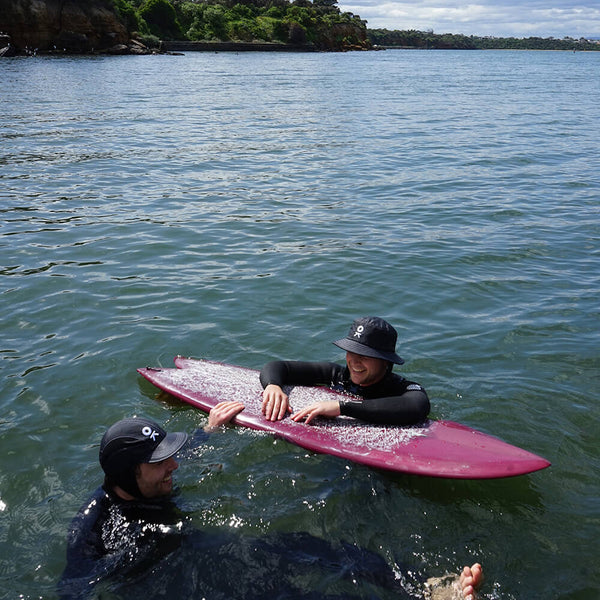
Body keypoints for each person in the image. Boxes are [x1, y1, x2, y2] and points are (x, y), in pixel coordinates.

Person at [60, 410, 483, 600]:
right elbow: (72, 586)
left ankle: (427, 588)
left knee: (315, 547)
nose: (173, 465)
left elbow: (177, 459)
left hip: (206, 549)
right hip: (180, 581)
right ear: (126, 473)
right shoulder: (96, 525)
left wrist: (208, 430)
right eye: (159, 462)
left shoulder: (148, 482)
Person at [260, 316, 430, 425]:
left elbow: (417, 407)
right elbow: (277, 367)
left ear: (386, 361)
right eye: (351, 351)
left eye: (365, 355)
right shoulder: (337, 376)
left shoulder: (401, 389)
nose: (354, 361)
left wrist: (341, 407)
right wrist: (273, 385)